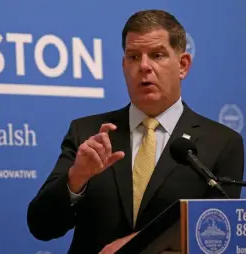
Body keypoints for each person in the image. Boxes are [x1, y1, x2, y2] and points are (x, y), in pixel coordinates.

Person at [27, 9, 245, 254]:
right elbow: (41, 226)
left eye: (157, 55)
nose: (143, 66)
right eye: (133, 57)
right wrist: (76, 178)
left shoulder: (222, 143)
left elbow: (219, 238)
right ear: (123, 65)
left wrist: (139, 244)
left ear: (183, 65)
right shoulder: (88, 133)